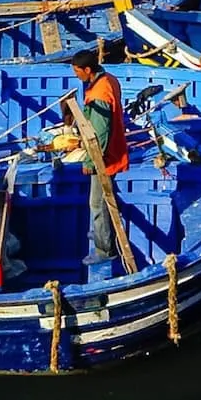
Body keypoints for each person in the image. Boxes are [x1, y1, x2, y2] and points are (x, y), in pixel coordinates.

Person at [68, 49, 129, 267]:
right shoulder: (109, 79)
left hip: (105, 156)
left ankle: (104, 250)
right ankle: (100, 237)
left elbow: (101, 132)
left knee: (97, 204)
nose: (76, 75)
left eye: (77, 71)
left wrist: (90, 161)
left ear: (87, 70)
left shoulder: (99, 94)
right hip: (113, 148)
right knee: (100, 202)